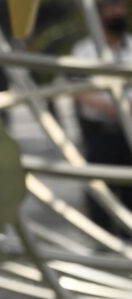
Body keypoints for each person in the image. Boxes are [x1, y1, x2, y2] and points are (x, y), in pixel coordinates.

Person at [72, 0, 132, 237]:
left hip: (128, 135)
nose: (119, 13)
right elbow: (79, 92)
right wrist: (114, 107)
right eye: (112, 8)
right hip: (101, 134)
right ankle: (102, 244)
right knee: (100, 194)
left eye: (121, 7)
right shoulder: (84, 51)